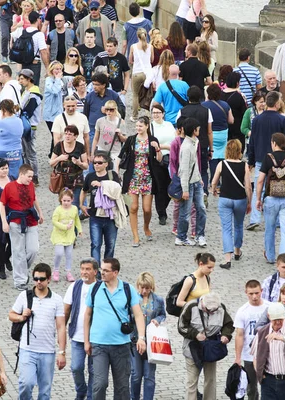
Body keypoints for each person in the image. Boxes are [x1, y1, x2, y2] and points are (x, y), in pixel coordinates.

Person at [84, 258, 147, 400]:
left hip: (121, 345)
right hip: (99, 344)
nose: (102, 273)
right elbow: (87, 315)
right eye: (101, 270)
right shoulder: (95, 288)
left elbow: (138, 315)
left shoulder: (127, 289)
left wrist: (141, 338)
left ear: (115, 272)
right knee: (100, 383)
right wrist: (86, 341)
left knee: (122, 386)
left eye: (106, 270)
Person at [9, 263, 67, 399]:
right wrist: (21, 316)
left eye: (41, 279)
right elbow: (11, 315)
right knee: (26, 383)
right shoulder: (25, 296)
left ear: (49, 279)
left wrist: (62, 352)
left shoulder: (57, 299)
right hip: (27, 349)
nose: (38, 282)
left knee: (45, 390)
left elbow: (61, 327)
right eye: (35, 279)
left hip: (47, 351)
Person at [247, 91, 285, 231]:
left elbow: (251, 141)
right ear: (277, 104)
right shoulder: (282, 120)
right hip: (278, 159)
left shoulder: (257, 120)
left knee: (258, 188)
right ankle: (277, 220)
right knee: (278, 188)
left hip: (260, 157)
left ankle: (255, 218)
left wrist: (250, 160)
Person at [178, 292, 234, 400]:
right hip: (192, 347)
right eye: (208, 310)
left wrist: (225, 335)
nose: (211, 313)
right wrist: (195, 334)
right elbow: (181, 326)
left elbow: (228, 324)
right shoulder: (190, 306)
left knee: (210, 379)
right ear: (202, 304)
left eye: (214, 311)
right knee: (192, 380)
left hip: (211, 348)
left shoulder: (220, 307)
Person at [255, 133, 285, 262]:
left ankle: (270, 257)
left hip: (270, 199)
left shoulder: (268, 158)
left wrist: (258, 199)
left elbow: (260, 181)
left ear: (274, 143)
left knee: (269, 229)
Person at [0, 164, 45, 290]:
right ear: (21, 174)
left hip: (31, 220)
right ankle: (20, 281)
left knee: (33, 249)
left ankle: (22, 270)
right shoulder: (9, 187)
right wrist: (4, 222)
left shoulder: (30, 185)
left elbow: (34, 199)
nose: (31, 179)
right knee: (18, 251)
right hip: (15, 221)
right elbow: (1, 204)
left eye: (32, 176)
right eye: (29, 176)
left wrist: (40, 212)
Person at [120, 116, 162, 246]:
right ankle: (135, 236)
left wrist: (158, 149)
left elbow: (159, 160)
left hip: (148, 177)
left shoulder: (153, 140)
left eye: (140, 126)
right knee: (133, 207)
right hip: (133, 177)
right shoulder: (132, 140)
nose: (138, 128)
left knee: (147, 209)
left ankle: (146, 227)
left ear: (147, 126)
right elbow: (121, 155)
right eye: (137, 126)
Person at [210, 139, 251, 269]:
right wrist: (249, 201)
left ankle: (227, 259)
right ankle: (237, 252)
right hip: (240, 199)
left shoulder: (222, 164)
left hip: (225, 199)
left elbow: (214, 181)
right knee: (238, 226)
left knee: (226, 229)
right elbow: (248, 186)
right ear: (239, 151)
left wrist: (214, 190)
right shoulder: (244, 165)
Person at [63, 257, 99, 400]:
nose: (84, 272)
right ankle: (81, 389)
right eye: (82, 269)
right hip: (77, 336)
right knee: (76, 367)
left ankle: (90, 396)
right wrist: (62, 329)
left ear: (95, 271)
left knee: (94, 370)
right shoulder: (75, 286)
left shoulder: (101, 287)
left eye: (88, 269)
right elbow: (66, 310)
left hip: (96, 337)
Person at [80, 151, 121, 264]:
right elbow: (84, 191)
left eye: (99, 162)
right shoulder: (90, 176)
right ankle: (96, 270)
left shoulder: (112, 176)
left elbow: (118, 190)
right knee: (95, 244)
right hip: (95, 216)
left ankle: (107, 268)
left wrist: (102, 185)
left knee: (110, 245)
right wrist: (81, 205)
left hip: (110, 216)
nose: (96, 165)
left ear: (106, 164)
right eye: (94, 163)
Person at [130, 272, 166, 400]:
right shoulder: (132, 299)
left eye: (147, 288)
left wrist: (157, 319)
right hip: (135, 341)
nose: (144, 290)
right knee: (135, 374)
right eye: (142, 287)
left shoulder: (158, 300)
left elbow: (163, 314)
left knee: (149, 375)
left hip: (152, 342)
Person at [175, 117, 207, 247]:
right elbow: (184, 169)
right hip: (188, 183)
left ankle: (200, 235)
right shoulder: (187, 147)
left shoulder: (195, 142)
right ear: (194, 130)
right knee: (185, 212)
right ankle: (181, 236)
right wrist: (185, 190)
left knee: (201, 208)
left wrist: (199, 178)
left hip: (196, 182)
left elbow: (194, 165)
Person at [176, 86, 213, 197]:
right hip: (202, 144)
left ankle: (187, 189)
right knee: (203, 169)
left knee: (186, 167)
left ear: (188, 97)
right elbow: (209, 131)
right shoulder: (207, 111)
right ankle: (204, 191)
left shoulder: (182, 111)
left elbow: (178, 130)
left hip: (186, 144)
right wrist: (211, 148)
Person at [233, 280, 266, 400]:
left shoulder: (269, 307)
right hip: (249, 355)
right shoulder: (242, 311)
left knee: (269, 386)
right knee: (251, 388)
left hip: (267, 353)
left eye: (257, 293)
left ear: (261, 291)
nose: (254, 296)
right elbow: (239, 335)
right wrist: (238, 358)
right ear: (246, 293)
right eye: (251, 294)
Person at [50, 124, 89, 209]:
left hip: (76, 180)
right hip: (62, 180)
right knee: (64, 204)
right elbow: (51, 163)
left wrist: (79, 163)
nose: (67, 136)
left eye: (70, 134)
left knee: (75, 204)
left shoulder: (80, 146)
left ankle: (74, 220)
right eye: (66, 134)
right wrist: (59, 158)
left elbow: (86, 166)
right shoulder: (59, 146)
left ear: (75, 136)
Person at [149, 104, 175, 225]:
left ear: (163, 114)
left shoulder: (169, 125)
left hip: (170, 158)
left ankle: (163, 206)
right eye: (154, 113)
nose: (156, 115)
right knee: (160, 187)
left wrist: (164, 146)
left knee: (171, 184)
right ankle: (161, 213)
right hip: (156, 159)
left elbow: (175, 141)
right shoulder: (150, 127)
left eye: (158, 112)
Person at [50, 188, 82, 282]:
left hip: (69, 236)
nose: (66, 203)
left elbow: (77, 220)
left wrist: (79, 229)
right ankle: (56, 270)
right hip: (59, 235)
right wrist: (64, 227)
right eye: (64, 200)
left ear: (72, 200)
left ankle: (68, 271)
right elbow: (54, 221)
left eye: (68, 200)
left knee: (69, 254)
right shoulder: (58, 210)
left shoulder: (74, 209)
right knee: (59, 253)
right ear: (60, 200)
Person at [17, 69, 42, 185]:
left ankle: (34, 176)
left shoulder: (34, 94)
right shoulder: (26, 91)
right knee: (25, 152)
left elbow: (28, 111)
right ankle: (28, 175)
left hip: (30, 127)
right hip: (25, 125)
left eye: (22, 79)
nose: (20, 81)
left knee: (30, 152)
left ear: (29, 79)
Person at [0, 99, 24, 178]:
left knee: (0, 176)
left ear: (3, 110)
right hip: (16, 151)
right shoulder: (19, 121)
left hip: (2, 151)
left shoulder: (1, 123)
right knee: (15, 176)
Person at [83, 72, 124, 141]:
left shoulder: (113, 95)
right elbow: (85, 115)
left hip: (110, 129)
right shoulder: (89, 97)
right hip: (93, 130)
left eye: (97, 85)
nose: (94, 87)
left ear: (104, 85)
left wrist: (109, 110)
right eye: (93, 84)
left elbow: (122, 111)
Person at [93, 37, 130, 102]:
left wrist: (125, 89)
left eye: (111, 46)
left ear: (116, 46)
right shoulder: (101, 57)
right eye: (107, 46)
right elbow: (93, 72)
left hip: (118, 91)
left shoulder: (121, 58)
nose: (108, 48)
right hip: (104, 90)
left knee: (121, 110)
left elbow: (126, 74)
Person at [92, 99, 127, 169]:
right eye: (106, 109)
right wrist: (92, 153)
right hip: (102, 149)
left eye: (111, 110)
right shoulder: (100, 121)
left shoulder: (121, 122)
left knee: (114, 173)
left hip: (115, 151)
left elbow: (125, 139)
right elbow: (96, 138)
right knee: (101, 171)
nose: (108, 112)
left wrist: (120, 134)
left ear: (115, 110)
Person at [128, 28, 153, 121]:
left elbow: (130, 60)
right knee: (149, 94)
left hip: (137, 73)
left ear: (137, 36)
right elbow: (151, 60)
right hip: (148, 73)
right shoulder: (150, 47)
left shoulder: (133, 47)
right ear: (146, 35)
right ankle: (149, 115)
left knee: (135, 94)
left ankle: (134, 116)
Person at [19, 11, 50, 83]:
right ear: (38, 20)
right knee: (34, 87)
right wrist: (47, 68)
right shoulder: (39, 34)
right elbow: (43, 52)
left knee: (24, 86)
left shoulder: (23, 31)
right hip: (34, 63)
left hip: (24, 63)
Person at [220, 71, 247, 149]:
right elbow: (244, 112)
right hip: (237, 126)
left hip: (223, 125)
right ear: (237, 83)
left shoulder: (220, 94)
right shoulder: (239, 96)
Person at [44, 61, 65, 155]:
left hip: (59, 112)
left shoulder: (60, 80)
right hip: (50, 113)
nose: (59, 71)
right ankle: (54, 154)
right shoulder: (48, 80)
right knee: (55, 134)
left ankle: (53, 153)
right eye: (57, 69)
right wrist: (57, 79)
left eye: (60, 69)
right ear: (52, 70)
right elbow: (55, 91)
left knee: (58, 134)